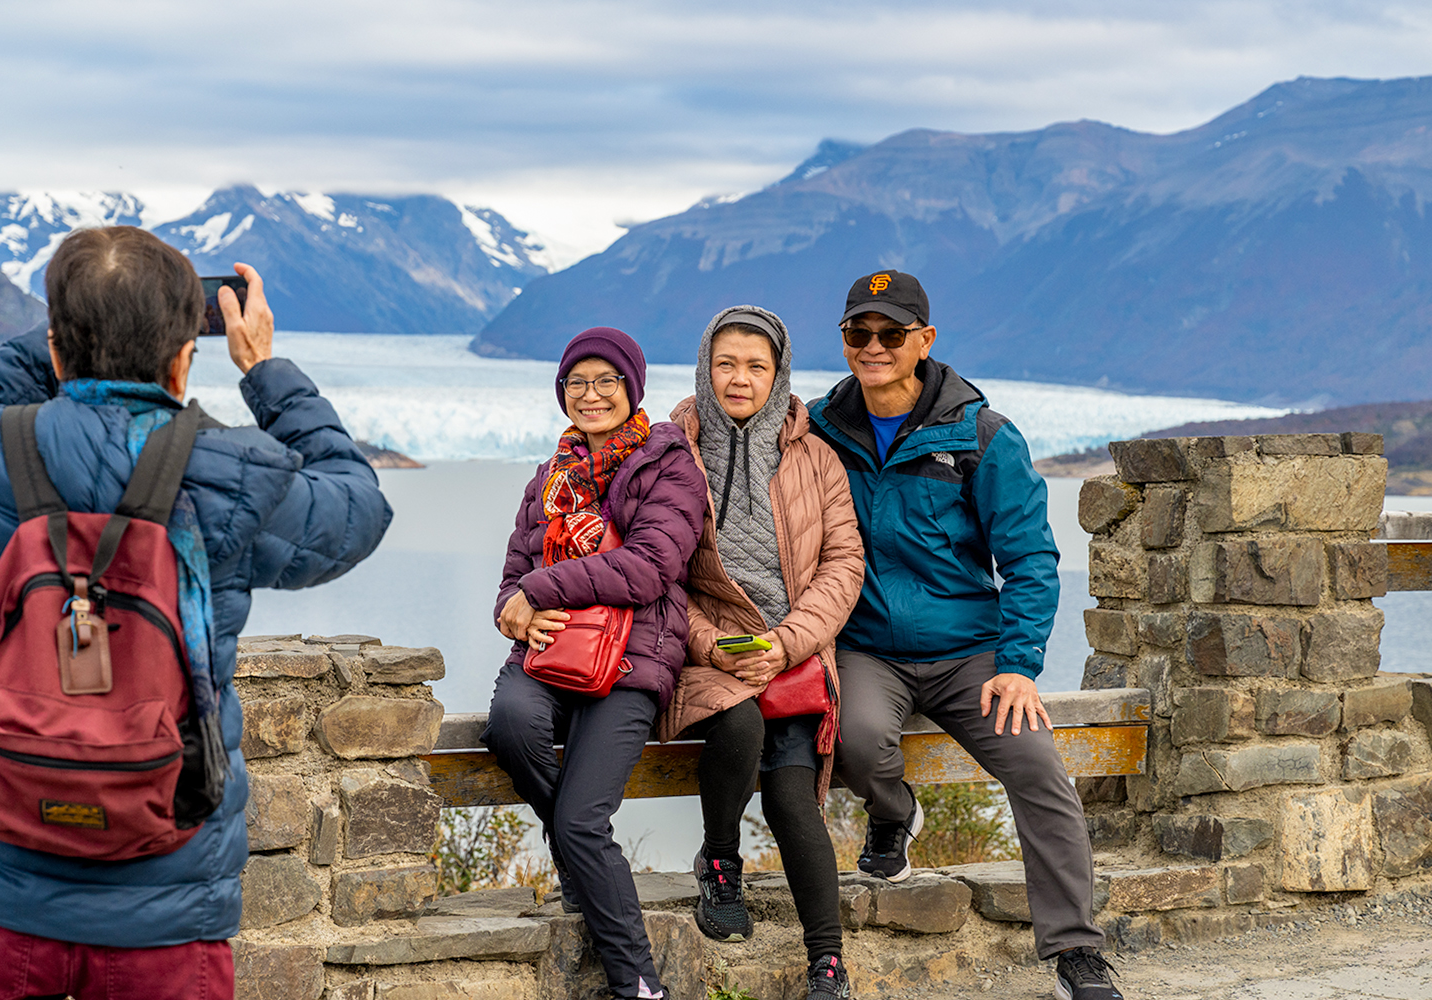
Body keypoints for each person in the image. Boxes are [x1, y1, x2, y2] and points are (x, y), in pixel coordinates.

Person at [0, 226, 392, 1000]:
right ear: (183, 358)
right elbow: (357, 508)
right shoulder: (233, 473)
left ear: (58, 349)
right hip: (165, 907)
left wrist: (75, 328)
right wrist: (265, 370)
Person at [808, 271, 1125, 1000]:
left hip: (972, 658)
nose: (874, 346)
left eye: (892, 333)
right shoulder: (823, 427)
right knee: (852, 739)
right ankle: (895, 815)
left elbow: (1030, 560)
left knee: (1039, 770)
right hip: (866, 650)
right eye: (859, 333)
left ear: (925, 340)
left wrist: (1017, 665)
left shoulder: (983, 436)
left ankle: (1076, 952)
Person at [482, 327, 706, 1000]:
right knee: (510, 725)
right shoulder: (548, 479)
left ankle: (639, 984)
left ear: (632, 388)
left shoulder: (670, 465)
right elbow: (513, 576)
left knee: (580, 820)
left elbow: (649, 568)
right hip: (552, 650)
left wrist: (539, 592)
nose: (591, 394)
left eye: (607, 380)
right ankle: (587, 870)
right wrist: (510, 609)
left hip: (635, 654)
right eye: (577, 383)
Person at [660, 306, 865, 1000]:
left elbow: (843, 567)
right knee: (740, 724)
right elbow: (656, 572)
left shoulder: (816, 457)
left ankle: (828, 964)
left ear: (778, 373)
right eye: (726, 364)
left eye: (756, 365)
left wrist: (783, 645)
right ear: (704, 367)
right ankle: (720, 862)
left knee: (790, 795)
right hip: (707, 654)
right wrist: (712, 645)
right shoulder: (669, 452)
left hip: (793, 656)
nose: (739, 378)